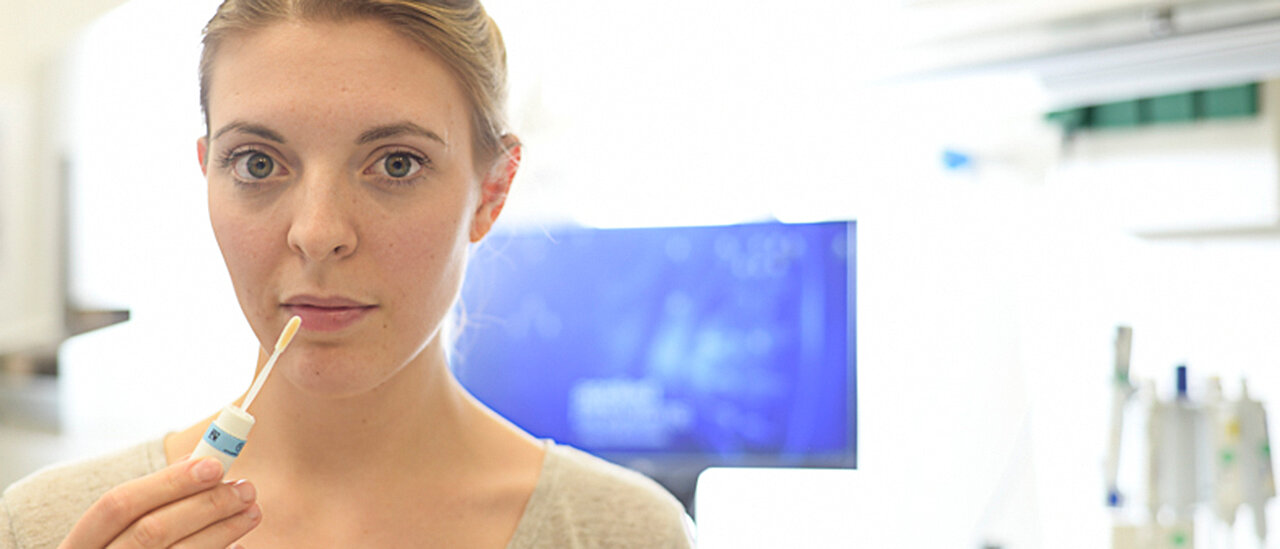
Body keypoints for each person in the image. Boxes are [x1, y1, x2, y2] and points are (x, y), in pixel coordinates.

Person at [0, 1, 695, 547]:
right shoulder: (46, 526)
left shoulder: (623, 533)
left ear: (492, 191)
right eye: (257, 163)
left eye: (397, 163)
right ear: (208, 171)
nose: (318, 233)